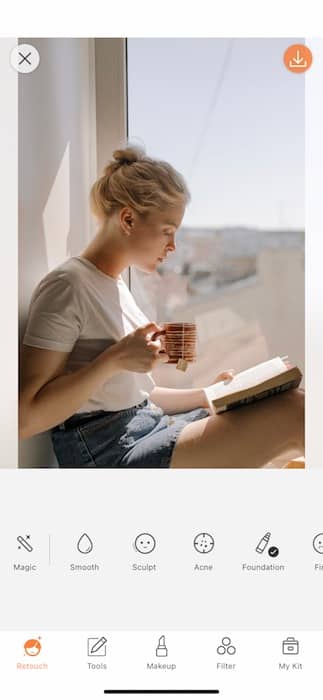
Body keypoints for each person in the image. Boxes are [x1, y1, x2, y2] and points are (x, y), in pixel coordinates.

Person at [19, 145, 304, 468]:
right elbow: (26, 417)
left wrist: (207, 394)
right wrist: (113, 360)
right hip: (109, 454)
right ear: (127, 219)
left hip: (147, 427)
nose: (173, 246)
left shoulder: (115, 288)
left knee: (292, 402)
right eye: (168, 231)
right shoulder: (68, 285)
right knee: (294, 414)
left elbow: (137, 397)